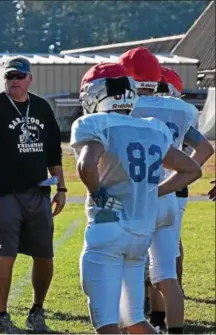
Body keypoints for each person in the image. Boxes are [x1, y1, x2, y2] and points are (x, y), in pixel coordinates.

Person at [70, 62, 202, 334]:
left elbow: (86, 165)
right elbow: (192, 168)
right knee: (133, 320)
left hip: (107, 230)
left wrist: (99, 193)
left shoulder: (94, 123)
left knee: (106, 322)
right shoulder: (152, 128)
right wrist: (155, 191)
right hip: (140, 233)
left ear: (95, 95)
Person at [0, 56, 66, 333]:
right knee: (5, 255)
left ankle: (37, 311)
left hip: (38, 192)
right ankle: (1, 317)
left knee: (45, 255)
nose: (15, 81)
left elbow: (54, 152)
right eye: (10, 76)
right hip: (1, 193)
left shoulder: (42, 107)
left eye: (20, 76)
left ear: (30, 79)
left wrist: (62, 187)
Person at [120, 47, 213, 333]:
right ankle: (172, 330)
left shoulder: (127, 107)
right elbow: (204, 148)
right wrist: (175, 180)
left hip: (136, 198)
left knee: (130, 269)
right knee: (167, 275)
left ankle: (131, 327)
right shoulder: (180, 109)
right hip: (168, 197)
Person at [156, 67, 214, 291]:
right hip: (175, 187)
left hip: (148, 183)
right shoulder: (179, 112)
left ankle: (154, 300)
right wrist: (183, 174)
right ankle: (174, 293)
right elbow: (205, 149)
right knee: (171, 243)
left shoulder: (138, 111)